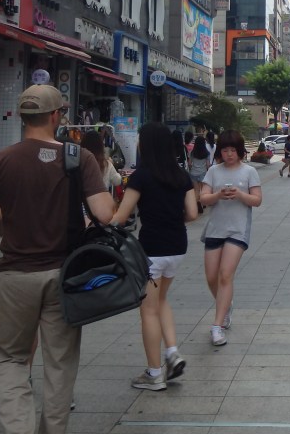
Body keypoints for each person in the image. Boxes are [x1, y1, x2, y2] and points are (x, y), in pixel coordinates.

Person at [0, 84, 113, 434]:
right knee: (59, 364)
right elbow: (105, 213)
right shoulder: (79, 158)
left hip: (15, 276)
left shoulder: (0, 161)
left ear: (23, 117)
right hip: (64, 277)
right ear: (56, 116)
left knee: (9, 358)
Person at [113, 123, 198, 391]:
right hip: (177, 247)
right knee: (161, 300)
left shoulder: (141, 176)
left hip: (151, 251)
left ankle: (154, 374)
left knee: (147, 309)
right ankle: (172, 353)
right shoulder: (181, 175)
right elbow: (193, 214)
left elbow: (121, 216)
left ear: (146, 145)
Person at [199, 130, 262, 347]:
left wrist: (240, 194)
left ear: (240, 151)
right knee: (211, 277)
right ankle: (226, 304)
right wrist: (218, 195)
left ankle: (217, 325)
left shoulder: (249, 172)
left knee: (226, 275)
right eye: (224, 150)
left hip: (238, 231)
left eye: (232, 150)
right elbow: (203, 199)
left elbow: (257, 200)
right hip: (215, 229)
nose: (229, 154)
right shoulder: (214, 172)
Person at [187, 136, 212, 210]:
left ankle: (197, 203)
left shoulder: (192, 152)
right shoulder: (206, 153)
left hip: (193, 173)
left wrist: (191, 169)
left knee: (196, 190)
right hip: (203, 173)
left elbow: (189, 163)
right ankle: (203, 203)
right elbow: (208, 165)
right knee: (202, 190)